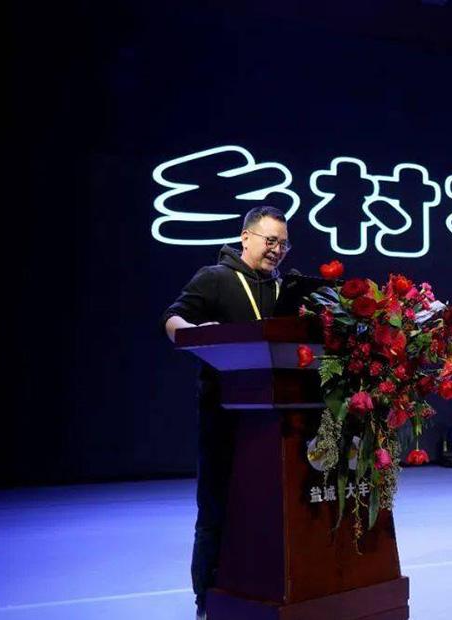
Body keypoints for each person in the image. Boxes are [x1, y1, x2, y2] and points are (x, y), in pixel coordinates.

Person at [161, 206, 297, 619]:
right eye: (270, 241)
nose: (276, 250)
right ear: (245, 237)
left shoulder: (285, 289)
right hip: (222, 412)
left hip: (274, 418)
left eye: (283, 244)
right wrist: (192, 333)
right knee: (216, 508)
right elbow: (172, 318)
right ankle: (206, 598)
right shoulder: (215, 278)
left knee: (269, 509)